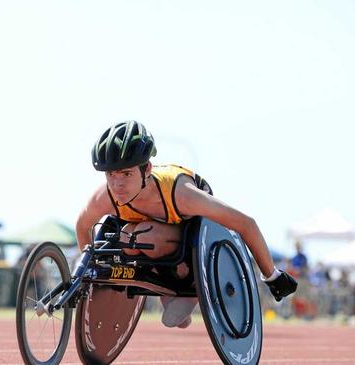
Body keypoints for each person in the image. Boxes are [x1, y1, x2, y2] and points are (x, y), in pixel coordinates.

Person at [76, 121, 297, 329]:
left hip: (190, 226)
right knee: (125, 237)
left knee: (143, 236)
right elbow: (82, 226)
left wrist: (272, 275)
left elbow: (246, 224)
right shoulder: (105, 196)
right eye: (111, 174)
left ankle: (188, 288)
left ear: (147, 170)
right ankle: (166, 293)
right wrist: (91, 271)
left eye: (126, 173)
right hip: (149, 236)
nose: (117, 184)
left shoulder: (183, 195)